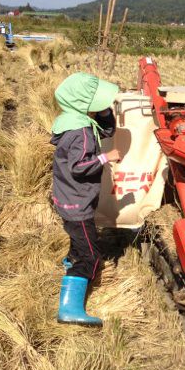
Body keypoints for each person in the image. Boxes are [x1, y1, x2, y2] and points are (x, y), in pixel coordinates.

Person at [50, 72, 122, 327]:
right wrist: (106, 157)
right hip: (76, 203)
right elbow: (79, 166)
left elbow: (106, 129)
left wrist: (103, 110)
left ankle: (71, 259)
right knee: (91, 256)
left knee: (78, 238)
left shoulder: (71, 121)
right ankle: (69, 307)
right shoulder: (80, 132)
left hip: (68, 198)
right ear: (83, 104)